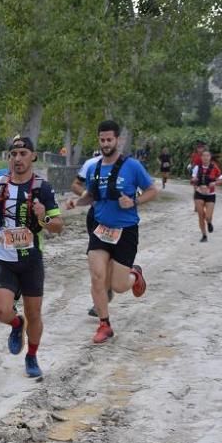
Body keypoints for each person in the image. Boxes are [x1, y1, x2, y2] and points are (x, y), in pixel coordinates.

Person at [65, 120, 158, 344]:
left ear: (118, 140)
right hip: (100, 229)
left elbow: (153, 190)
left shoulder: (132, 166)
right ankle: (104, 325)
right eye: (102, 140)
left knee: (117, 285)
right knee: (97, 276)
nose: (106, 143)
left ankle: (135, 274)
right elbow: (90, 196)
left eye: (109, 139)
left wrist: (134, 200)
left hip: (125, 231)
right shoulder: (95, 168)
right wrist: (76, 203)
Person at [0, 137, 64, 377]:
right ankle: (16, 325)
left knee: (34, 313)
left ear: (33, 156)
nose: (18, 158)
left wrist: (43, 217)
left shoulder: (42, 188)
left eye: (23, 153)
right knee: (0, 310)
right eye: (13, 154)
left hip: (31, 260)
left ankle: (32, 356)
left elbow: (58, 226)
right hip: (3, 257)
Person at [71, 153, 111, 318]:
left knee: (111, 259)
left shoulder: (126, 164)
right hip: (95, 216)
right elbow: (75, 185)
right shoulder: (91, 163)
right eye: (103, 139)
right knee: (98, 260)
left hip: (118, 219)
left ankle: (109, 287)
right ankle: (100, 301)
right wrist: (87, 195)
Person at [191, 147, 222, 242]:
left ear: (210, 157)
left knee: (208, 217)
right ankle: (204, 235)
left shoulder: (214, 168)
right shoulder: (197, 168)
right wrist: (195, 181)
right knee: (201, 215)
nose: (205, 157)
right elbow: (192, 180)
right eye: (204, 156)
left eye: (207, 156)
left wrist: (214, 183)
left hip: (210, 195)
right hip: (199, 194)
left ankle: (209, 222)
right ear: (201, 157)